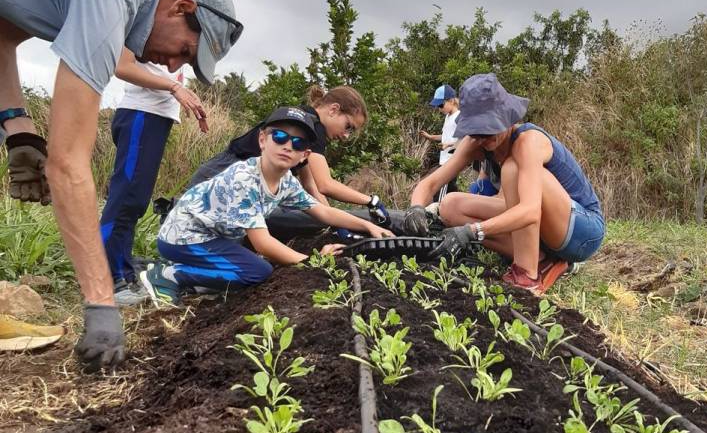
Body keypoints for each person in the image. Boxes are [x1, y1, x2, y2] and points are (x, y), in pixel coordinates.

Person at [0, 0, 243, 369]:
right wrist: (101, 304)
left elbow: (3, 31)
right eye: (185, 54)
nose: (176, 66)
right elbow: (68, 162)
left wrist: (17, 126)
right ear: (182, 8)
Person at [139, 106, 392, 304]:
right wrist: (313, 261)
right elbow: (263, 243)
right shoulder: (245, 178)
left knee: (251, 266)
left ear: (304, 155)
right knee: (258, 271)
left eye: (298, 143)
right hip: (183, 238)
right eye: (280, 136)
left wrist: (367, 226)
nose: (287, 146)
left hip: (211, 237)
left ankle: (193, 278)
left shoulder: (285, 183)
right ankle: (170, 275)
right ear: (263, 140)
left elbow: (322, 211)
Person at [403, 73, 605, 295]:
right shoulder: (475, 143)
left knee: (511, 169)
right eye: (477, 131)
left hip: (582, 230)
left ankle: (527, 275)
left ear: (506, 118)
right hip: (544, 227)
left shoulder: (528, 141)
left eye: (489, 129)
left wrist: (473, 231)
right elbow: (431, 183)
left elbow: (529, 211)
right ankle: (542, 258)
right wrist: (415, 209)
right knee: (450, 205)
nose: (484, 138)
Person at [102, 0, 222, 307]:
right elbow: (121, 65)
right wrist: (173, 87)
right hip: (140, 113)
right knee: (126, 198)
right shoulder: (136, 9)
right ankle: (109, 277)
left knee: (136, 198)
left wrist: (181, 93)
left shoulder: (168, 19)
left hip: (156, 115)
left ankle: (120, 263)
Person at [186, 85, 392, 237]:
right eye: (349, 126)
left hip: (216, 175)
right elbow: (326, 185)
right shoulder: (314, 126)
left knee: (310, 219)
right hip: (220, 180)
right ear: (333, 109)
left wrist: (337, 226)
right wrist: (371, 201)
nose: (346, 135)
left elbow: (311, 187)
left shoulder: (307, 121)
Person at [419, 84, 460, 200]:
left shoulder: (458, 117)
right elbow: (446, 136)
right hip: (445, 159)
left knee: (441, 192)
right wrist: (431, 137)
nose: (439, 109)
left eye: (441, 105)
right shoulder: (448, 117)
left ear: (451, 101)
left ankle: (439, 213)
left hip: (451, 160)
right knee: (449, 190)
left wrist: (449, 145)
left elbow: (464, 139)